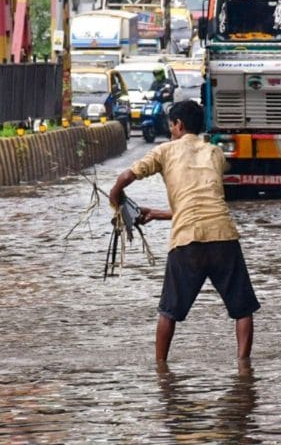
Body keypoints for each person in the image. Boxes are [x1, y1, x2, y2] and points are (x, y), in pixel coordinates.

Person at [108, 100, 260, 375]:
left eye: (170, 126)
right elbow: (201, 202)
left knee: (168, 311)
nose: (170, 130)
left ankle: (161, 369)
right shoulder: (215, 153)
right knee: (243, 308)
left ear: (178, 126)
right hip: (223, 235)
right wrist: (155, 213)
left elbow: (128, 176)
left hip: (186, 241)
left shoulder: (165, 151)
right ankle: (243, 368)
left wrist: (115, 195)